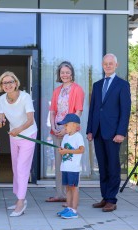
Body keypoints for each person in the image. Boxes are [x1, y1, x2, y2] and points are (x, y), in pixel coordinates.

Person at [86, 53, 131, 212]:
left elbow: (125, 111)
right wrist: (90, 129)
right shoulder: (97, 85)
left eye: (111, 63)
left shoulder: (122, 85)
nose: (108, 66)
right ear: (102, 65)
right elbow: (93, 109)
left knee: (113, 166)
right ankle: (105, 197)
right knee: (103, 167)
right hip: (98, 131)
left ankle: (112, 199)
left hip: (113, 133)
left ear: (116, 65)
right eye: (105, 63)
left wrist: (121, 132)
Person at [0, 71, 38, 217]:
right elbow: (1, 117)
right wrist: (0, 122)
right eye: (4, 83)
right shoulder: (2, 99)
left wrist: (18, 130)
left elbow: (30, 120)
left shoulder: (25, 97)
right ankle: (19, 197)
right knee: (16, 168)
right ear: (1, 86)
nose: (7, 85)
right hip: (14, 136)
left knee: (22, 168)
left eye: (10, 82)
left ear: (16, 83)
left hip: (28, 134)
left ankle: (21, 202)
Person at [47, 61, 84, 203]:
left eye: (67, 72)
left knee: (71, 163)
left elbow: (78, 111)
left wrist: (66, 128)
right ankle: (60, 194)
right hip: (57, 131)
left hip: (70, 132)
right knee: (59, 163)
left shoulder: (77, 89)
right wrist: (54, 127)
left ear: (72, 73)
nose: (65, 75)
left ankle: (71, 197)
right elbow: (52, 111)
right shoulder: (57, 91)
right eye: (62, 72)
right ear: (59, 74)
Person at [55, 114, 85, 219]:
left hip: (73, 168)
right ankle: (68, 207)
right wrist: (62, 151)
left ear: (74, 125)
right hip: (65, 167)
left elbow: (81, 150)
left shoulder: (78, 136)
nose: (64, 128)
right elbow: (64, 150)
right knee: (67, 188)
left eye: (66, 125)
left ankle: (74, 210)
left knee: (74, 188)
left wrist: (66, 151)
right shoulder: (66, 137)